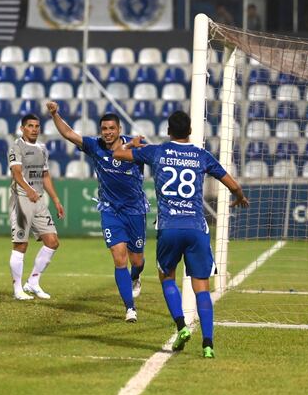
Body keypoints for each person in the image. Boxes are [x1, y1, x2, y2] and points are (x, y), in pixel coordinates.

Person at [114, 111, 249, 358]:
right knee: (202, 287)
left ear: (168, 131)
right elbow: (232, 184)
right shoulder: (201, 155)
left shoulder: (157, 152)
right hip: (196, 228)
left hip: (169, 227)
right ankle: (208, 344)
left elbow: (118, 154)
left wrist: (132, 145)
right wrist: (239, 197)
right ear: (190, 131)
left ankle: (181, 327)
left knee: (167, 277)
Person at [47, 101, 148, 323]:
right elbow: (69, 134)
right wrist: (55, 114)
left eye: (112, 128)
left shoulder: (137, 146)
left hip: (135, 210)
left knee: (137, 260)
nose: (108, 132)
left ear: (119, 129)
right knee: (118, 256)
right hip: (110, 210)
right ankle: (130, 308)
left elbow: (156, 157)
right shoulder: (95, 146)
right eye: (104, 129)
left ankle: (136, 277)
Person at [8, 113, 65, 300]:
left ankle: (33, 282)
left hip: (39, 200)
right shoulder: (16, 147)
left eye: (37, 126)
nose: (34, 129)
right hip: (22, 198)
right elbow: (16, 173)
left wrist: (56, 200)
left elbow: (45, 176)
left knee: (52, 241)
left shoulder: (42, 148)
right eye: (30, 126)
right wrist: (28, 189)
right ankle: (18, 290)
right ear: (22, 128)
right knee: (21, 244)